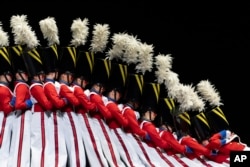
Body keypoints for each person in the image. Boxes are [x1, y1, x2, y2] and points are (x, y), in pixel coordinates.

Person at [72, 50, 109, 167]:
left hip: (82, 118)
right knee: (93, 145)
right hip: (82, 119)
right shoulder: (78, 89)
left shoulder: (82, 91)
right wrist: (97, 107)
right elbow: (90, 106)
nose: (86, 83)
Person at [88, 58, 126, 167]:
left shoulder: (102, 98)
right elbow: (108, 115)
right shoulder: (96, 97)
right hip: (97, 124)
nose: (103, 90)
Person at [57, 46, 86, 167]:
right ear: (63, 75)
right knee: (75, 145)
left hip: (68, 117)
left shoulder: (65, 87)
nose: (72, 78)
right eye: (69, 75)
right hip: (68, 117)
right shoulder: (63, 87)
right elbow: (76, 102)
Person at [8, 45, 33, 167]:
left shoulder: (20, 85)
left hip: (22, 117)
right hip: (22, 118)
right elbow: (18, 104)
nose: (28, 75)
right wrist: (29, 103)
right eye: (25, 73)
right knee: (20, 145)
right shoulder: (22, 85)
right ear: (20, 74)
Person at [0, 37, 15, 166]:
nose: (11, 76)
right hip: (3, 119)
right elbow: (6, 108)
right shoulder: (3, 90)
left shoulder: (5, 88)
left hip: (5, 118)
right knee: (2, 142)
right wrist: (14, 102)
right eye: (8, 74)